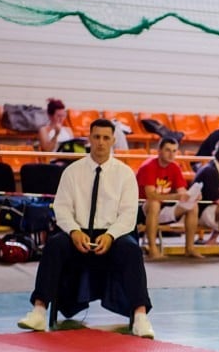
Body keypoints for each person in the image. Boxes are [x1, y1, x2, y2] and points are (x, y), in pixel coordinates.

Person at [17, 118, 155, 338]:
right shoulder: (72, 172)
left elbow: (129, 215)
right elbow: (61, 208)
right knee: (54, 245)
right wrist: (74, 231)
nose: (101, 142)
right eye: (97, 137)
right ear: (89, 139)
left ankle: (140, 316)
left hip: (112, 236)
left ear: (113, 141)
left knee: (131, 250)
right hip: (78, 233)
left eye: (106, 138)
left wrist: (110, 236)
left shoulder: (126, 174)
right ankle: (39, 311)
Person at [136, 137, 201, 260]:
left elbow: (182, 191)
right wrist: (176, 196)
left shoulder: (175, 167)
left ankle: (189, 248)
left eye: (174, 151)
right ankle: (153, 248)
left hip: (164, 208)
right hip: (142, 209)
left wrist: (192, 196)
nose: (171, 154)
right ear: (159, 151)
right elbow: (150, 195)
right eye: (168, 150)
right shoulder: (148, 166)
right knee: (154, 203)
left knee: (192, 206)